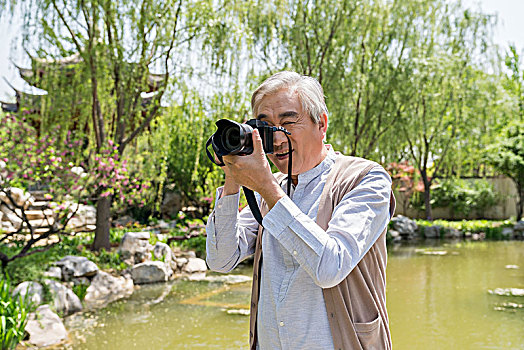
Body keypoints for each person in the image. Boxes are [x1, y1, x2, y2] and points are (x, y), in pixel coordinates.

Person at [206, 71, 395, 350]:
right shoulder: (271, 188)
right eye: (265, 126)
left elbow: (331, 266)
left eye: (287, 122)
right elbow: (220, 260)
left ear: (321, 123)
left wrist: (267, 188)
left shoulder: (365, 179)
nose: (277, 138)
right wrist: (233, 178)